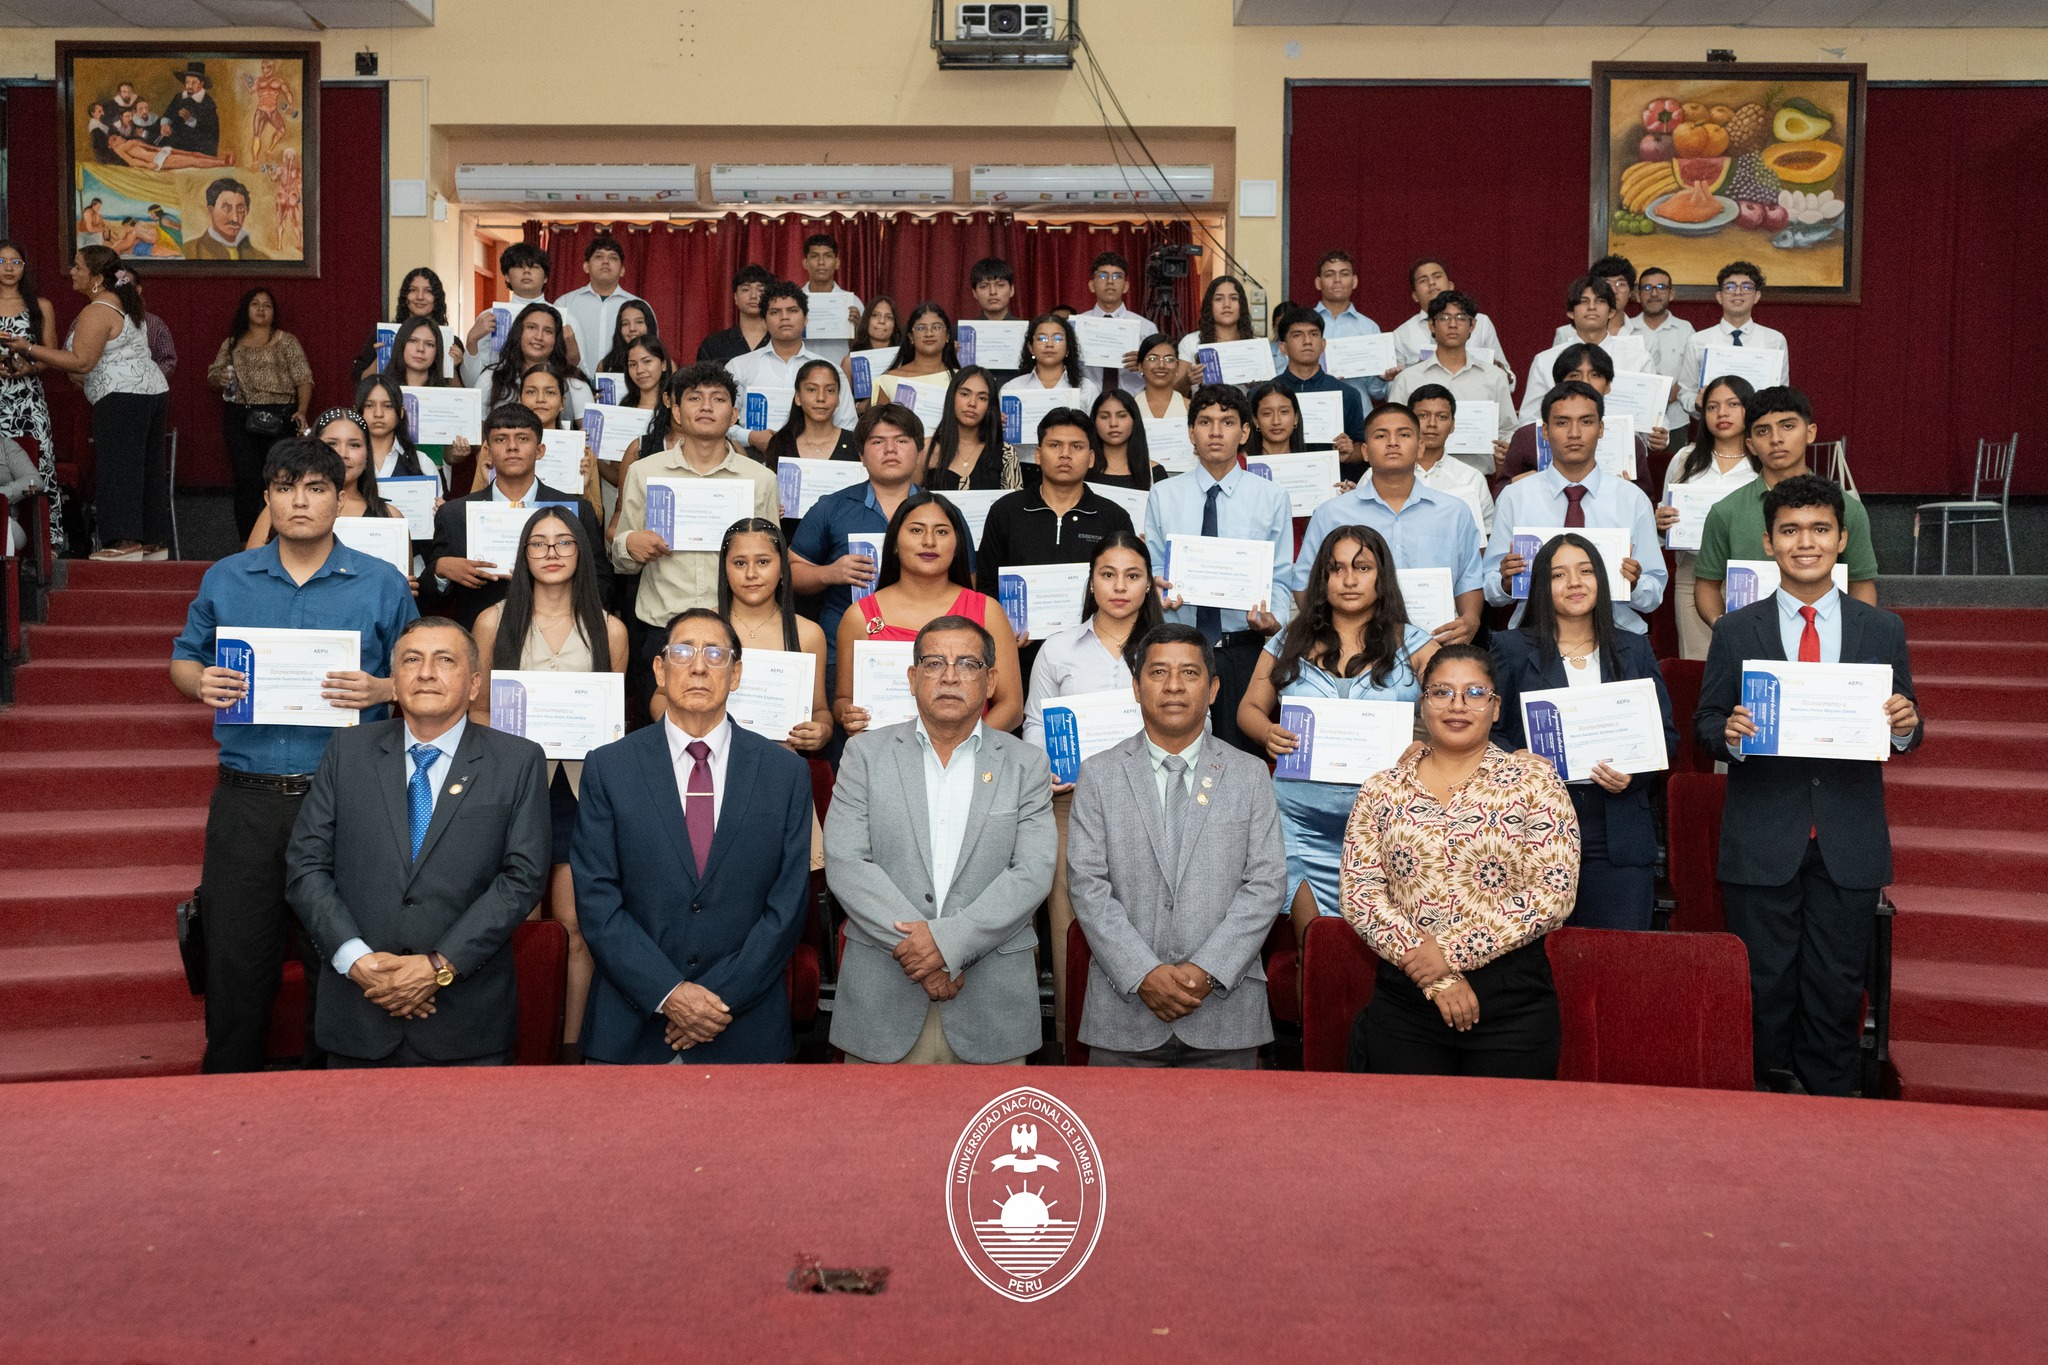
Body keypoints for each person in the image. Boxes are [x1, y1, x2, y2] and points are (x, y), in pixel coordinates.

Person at [169, 438, 418, 1072]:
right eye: (284, 488)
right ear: (267, 498)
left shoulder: (381, 582)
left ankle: (325, 1088)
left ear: (341, 499)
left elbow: (421, 671)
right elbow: (183, 659)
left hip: (343, 799)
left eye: (313, 488)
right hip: (246, 796)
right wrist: (199, 682)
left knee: (335, 952)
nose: (298, 501)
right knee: (235, 955)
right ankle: (227, 1085)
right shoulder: (227, 576)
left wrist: (385, 688)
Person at [1697, 474, 1922, 1096]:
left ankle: (1832, 1106)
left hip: (1847, 838)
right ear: (1769, 543)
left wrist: (1904, 725)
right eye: (1790, 530)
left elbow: (1908, 722)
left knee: (1837, 983)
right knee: (1763, 983)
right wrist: (1731, 734)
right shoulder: (1737, 630)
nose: (1806, 542)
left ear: (1842, 539)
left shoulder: (1882, 629)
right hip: (1763, 836)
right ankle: (1764, 1100)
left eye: (1820, 529)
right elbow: (1705, 726)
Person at [283, 617, 548, 1068]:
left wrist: (437, 967)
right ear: (395, 679)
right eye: (411, 660)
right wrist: (357, 962)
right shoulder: (347, 751)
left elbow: (522, 879)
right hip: (359, 1009)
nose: (426, 672)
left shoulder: (518, 760)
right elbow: (306, 867)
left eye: (444, 660)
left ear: (474, 684)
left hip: (465, 1021)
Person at [573, 609, 815, 1063]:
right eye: (682, 652)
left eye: (715, 654)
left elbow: (787, 906)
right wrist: (670, 995)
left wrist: (713, 1002)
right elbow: (597, 900)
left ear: (736, 674)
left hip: (745, 1029)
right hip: (632, 1028)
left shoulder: (785, 774)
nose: (699, 666)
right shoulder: (610, 767)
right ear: (660, 671)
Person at [824, 614, 1056, 1065]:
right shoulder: (864, 755)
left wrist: (947, 945)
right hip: (882, 999)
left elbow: (1032, 872)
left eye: (968, 664)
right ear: (913, 679)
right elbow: (846, 862)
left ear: (991, 681)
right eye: (934, 663)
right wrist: (924, 952)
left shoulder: (1026, 764)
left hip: (991, 1006)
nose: (950, 676)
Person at [1339, 644, 1579, 1077]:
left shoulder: (1534, 781)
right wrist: (1435, 974)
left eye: (1474, 693)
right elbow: (1360, 893)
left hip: (1512, 1004)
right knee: (1406, 1140)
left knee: (1504, 1141)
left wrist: (1450, 952)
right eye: (1442, 692)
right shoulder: (1382, 789)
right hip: (1407, 999)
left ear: (1496, 706)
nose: (1457, 705)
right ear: (1423, 702)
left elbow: (1553, 894)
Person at [1067, 623, 1287, 1068]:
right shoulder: (1099, 775)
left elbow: (1266, 884)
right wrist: (1142, 973)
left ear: (1213, 689)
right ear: (1136, 686)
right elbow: (1087, 886)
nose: (1173, 686)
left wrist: (1208, 971)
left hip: (1226, 1015)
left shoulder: (1248, 775)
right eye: (1158, 672)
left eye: (1189, 673)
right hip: (1124, 1014)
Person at [471, 507, 629, 1059]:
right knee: (521, 922)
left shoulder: (611, 630)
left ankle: (569, 1049)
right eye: (539, 544)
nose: (553, 552)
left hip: (583, 792)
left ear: (582, 552)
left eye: (565, 542)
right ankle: (518, 1042)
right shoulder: (493, 623)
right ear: (524, 554)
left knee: (576, 925)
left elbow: (616, 721)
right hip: (513, 789)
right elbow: (477, 712)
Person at [1240, 526, 1435, 941]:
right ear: (1321, 579)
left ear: (1381, 577)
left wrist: (1428, 746)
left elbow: (1458, 712)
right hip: (1299, 823)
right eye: (1337, 569)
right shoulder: (1288, 638)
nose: (1349, 580)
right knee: (1311, 951)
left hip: (1388, 826)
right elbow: (1248, 709)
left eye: (1362, 568)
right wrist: (1267, 732)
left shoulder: (1415, 643)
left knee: (1385, 953)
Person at [1490, 534, 1676, 931]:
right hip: (1531, 832)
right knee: (1540, 973)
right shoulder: (1508, 649)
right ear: (1541, 586)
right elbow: (1488, 733)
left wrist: (1635, 774)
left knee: (1616, 967)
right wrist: (1512, 758)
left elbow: (1665, 737)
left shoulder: (1635, 648)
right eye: (1559, 574)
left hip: (1618, 832)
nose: (1575, 583)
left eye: (1586, 571)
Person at [1022, 531, 1160, 1051]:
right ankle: (1073, 1049)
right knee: (1070, 931)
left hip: (1159, 805)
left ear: (1149, 585)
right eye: (1108, 574)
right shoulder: (1058, 649)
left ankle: (1152, 1044)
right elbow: (1035, 725)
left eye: (1132, 575)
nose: (1119, 586)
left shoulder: (1171, 645)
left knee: (1151, 925)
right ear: (1091, 580)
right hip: (1071, 806)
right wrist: (1047, 766)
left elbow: (1202, 724)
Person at [609, 363, 780, 685]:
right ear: (675, 410)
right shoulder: (644, 473)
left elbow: (771, 562)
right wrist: (630, 544)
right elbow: (622, 559)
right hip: (662, 626)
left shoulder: (761, 479)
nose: (705, 406)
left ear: (734, 414)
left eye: (718, 399)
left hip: (736, 627)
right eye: (694, 398)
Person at [1144, 384, 1291, 753]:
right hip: (1179, 647)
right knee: (1176, 754)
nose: (1215, 431)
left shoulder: (1271, 497)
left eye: (1227, 422)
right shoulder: (1164, 494)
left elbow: (1281, 577)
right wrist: (1159, 587)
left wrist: (1274, 621)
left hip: (1244, 650)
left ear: (1244, 432)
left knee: (1242, 763)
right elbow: (1154, 565)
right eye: (1205, 421)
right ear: (1190, 432)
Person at [3, 247, 168, 560]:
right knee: (147, 468)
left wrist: (29, 348)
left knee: (117, 468)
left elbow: (80, 361)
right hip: (151, 391)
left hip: (122, 396)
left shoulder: (97, 310)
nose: (72, 271)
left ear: (96, 277)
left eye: (78, 266)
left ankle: (123, 543)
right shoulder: (125, 302)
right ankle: (152, 542)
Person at [1294, 403, 1484, 648]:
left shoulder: (1454, 512)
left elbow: (1469, 578)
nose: (1393, 442)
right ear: (1364, 451)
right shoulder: (1331, 514)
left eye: (1404, 435)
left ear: (1420, 448)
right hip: (1354, 648)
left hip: (1435, 643)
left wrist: (1471, 619)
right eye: (1381, 435)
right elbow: (1304, 583)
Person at [833, 491, 1021, 735]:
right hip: (886, 759)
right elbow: (842, 699)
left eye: (941, 531)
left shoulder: (988, 612)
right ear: (895, 544)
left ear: (957, 545)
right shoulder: (859, 616)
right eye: (916, 530)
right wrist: (847, 714)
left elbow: (1011, 706)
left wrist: (958, 747)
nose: (929, 541)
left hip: (972, 760)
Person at [1487, 381, 1665, 635]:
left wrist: (1634, 583)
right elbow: (1491, 588)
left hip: (1616, 632)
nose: (1574, 433)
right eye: (1562, 422)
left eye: (1586, 422)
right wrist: (1505, 582)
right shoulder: (1515, 497)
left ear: (1601, 429)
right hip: (1534, 634)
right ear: (1545, 431)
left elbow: (1654, 593)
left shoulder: (1632, 499)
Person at [1693, 386, 1877, 629]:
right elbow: (1707, 585)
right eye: (1762, 431)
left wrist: (1854, 636)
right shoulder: (1725, 512)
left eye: (1788, 426)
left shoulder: (1848, 509)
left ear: (1810, 432)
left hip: (1828, 640)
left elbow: (1861, 583)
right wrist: (1726, 630)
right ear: (1750, 444)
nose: (1776, 439)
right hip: (1751, 641)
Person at [975, 407, 1136, 679]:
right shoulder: (1006, 512)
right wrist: (1003, 631)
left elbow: (1127, 586)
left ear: (1091, 458)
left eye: (1076, 446)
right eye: (1054, 445)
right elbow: (987, 585)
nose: (1065, 454)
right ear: (1038, 455)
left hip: (1096, 658)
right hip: (1018, 657)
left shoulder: (1113, 517)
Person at [430, 403, 608, 629]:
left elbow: (601, 584)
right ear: (488, 451)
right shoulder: (454, 513)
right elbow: (432, 598)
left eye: (523, 439)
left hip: (558, 633)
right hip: (482, 637)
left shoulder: (577, 510)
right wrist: (442, 570)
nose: (512, 447)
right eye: (501, 439)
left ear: (540, 450)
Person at [790, 403, 928, 669]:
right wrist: (830, 573)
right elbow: (790, 570)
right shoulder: (830, 507)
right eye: (878, 441)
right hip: (845, 648)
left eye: (901, 440)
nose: (890, 450)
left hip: (923, 646)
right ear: (861, 455)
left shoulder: (940, 512)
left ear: (919, 451)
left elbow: (966, 584)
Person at [1660, 374, 1760, 659]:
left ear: (1749, 410)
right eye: (1712, 407)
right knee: (1699, 666)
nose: (1722, 413)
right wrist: (1661, 522)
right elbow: (1665, 517)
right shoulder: (1684, 458)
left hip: (1751, 573)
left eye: (1732, 404)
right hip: (1694, 573)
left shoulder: (1764, 461)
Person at [204, 287, 313, 541]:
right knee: (246, 480)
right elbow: (212, 377)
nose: (261, 309)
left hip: (280, 417)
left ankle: (278, 540)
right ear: (246, 309)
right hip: (241, 417)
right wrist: (219, 378)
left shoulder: (287, 341)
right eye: (255, 304)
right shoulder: (232, 344)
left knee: (279, 478)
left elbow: (304, 378)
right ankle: (247, 543)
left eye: (267, 305)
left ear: (274, 312)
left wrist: (302, 410)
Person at [716, 518, 833, 751]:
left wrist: (823, 731)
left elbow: (820, 710)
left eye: (763, 561)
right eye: (739, 563)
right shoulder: (701, 626)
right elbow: (661, 698)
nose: (751, 574)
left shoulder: (808, 633)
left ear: (782, 569)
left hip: (780, 762)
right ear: (724, 569)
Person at [1386, 290, 1516, 471]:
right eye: (1445, 318)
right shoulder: (1407, 379)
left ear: (1472, 326)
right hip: (1416, 478)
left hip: (1477, 476)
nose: (1453, 324)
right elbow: (1392, 428)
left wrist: (1506, 448)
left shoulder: (1495, 377)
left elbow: (1508, 429)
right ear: (1431, 325)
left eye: (1461, 318)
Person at [244, 408, 407, 550]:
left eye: (354, 445)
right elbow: (251, 569)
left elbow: (402, 577)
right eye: (332, 444)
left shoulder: (390, 516)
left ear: (367, 455)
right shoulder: (284, 507)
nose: (343, 454)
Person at [1497, 342, 1657, 486]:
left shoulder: (1630, 441)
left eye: (1595, 375)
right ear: (1558, 383)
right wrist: (1523, 482)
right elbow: (1500, 494)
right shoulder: (1527, 436)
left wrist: (1628, 492)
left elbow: (1646, 502)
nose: (1585, 382)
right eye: (1574, 375)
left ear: (1608, 385)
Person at [727, 282, 856, 455]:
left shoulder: (830, 370)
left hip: (816, 460)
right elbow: (721, 422)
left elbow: (848, 426)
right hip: (752, 458)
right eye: (775, 312)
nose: (784, 317)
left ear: (806, 319)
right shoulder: (739, 366)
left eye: (792, 310)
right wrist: (751, 437)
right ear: (764, 321)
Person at [0, 241, 60, 544]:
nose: (9, 268)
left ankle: (47, 543)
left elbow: (50, 356)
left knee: (40, 463)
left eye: (16, 262)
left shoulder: (41, 305)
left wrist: (29, 368)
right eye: (2, 261)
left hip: (28, 399)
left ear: (25, 268)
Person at [1678, 260, 1789, 416]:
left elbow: (1781, 393)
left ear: (1756, 296)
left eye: (1746, 287)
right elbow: (1685, 393)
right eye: (1730, 287)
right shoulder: (1698, 341)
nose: (1738, 292)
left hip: (1759, 429)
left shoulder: (1775, 340)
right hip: (1716, 428)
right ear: (1719, 296)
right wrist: (1698, 404)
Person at [463, 243, 582, 383]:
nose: (526, 271)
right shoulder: (489, 318)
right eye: (519, 266)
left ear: (545, 278)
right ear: (507, 276)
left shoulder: (567, 320)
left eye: (534, 267)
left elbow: (581, 376)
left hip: (549, 396)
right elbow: (472, 382)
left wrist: (574, 358)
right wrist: (472, 339)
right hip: (501, 395)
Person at [1389, 259, 1513, 387]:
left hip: (1475, 399)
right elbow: (1394, 389)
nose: (1431, 283)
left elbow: (1509, 381)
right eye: (1423, 280)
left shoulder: (1481, 322)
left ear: (1451, 286)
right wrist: (1415, 371)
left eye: (1437, 276)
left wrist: (1503, 374)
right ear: (1415, 296)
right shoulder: (1400, 335)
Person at [1271, 308, 1364, 477]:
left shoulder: (1347, 394)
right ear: (1283, 348)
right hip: (1278, 483)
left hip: (1332, 487)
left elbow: (1363, 450)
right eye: (1297, 335)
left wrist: (1350, 452)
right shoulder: (1264, 394)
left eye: (1313, 334)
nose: (1307, 341)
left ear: (1323, 344)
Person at [1517, 276, 1620, 428]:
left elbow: (1653, 418)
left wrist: (1657, 434)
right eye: (1583, 301)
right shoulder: (1545, 360)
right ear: (1571, 312)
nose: (1592, 307)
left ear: (1611, 311)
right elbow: (1529, 421)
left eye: (1600, 301)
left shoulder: (1639, 359)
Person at [1001, 312, 1097, 465]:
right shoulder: (1011, 388)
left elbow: (1095, 435)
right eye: (1042, 338)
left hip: (1071, 467)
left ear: (1068, 348)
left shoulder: (1086, 388)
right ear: (1031, 347)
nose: (1049, 344)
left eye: (1058, 338)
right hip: (1022, 468)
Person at [1407, 384, 1495, 540]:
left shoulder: (1472, 479)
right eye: (1423, 416)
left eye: (1442, 417)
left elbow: (1485, 538)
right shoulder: (1380, 474)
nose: (1432, 424)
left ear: (1453, 425)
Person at [475, 302, 591, 420]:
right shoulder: (492, 377)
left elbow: (590, 434)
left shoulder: (573, 380)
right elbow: (476, 432)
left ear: (557, 339)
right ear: (519, 333)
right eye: (531, 327)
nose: (539, 337)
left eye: (548, 331)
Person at [552, 233, 641, 373]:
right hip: (572, 385)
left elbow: (650, 350)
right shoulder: (564, 304)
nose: (606, 262)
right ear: (586, 266)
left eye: (613, 258)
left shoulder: (638, 307)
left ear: (622, 270)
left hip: (625, 387)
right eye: (599, 257)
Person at [1311, 249, 1390, 405]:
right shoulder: (1303, 325)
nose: (1337, 280)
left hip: (1359, 413)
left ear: (1354, 281)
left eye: (1344, 274)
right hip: (1314, 410)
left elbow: (1376, 392)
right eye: (1329, 275)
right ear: (1318, 283)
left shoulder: (1369, 328)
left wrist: (1382, 378)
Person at [922, 366, 1018, 491]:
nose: (972, 403)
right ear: (952, 397)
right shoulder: (927, 448)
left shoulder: (1006, 452)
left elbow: (1014, 505)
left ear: (990, 405)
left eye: (982, 398)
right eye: (965, 394)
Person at [355, 267, 460, 381]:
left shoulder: (452, 343)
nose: (420, 297)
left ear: (437, 299)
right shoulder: (382, 336)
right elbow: (361, 382)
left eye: (428, 291)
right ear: (405, 297)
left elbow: (462, 396)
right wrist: (381, 359)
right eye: (413, 290)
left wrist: (451, 367)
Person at [761, 358, 858, 467]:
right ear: (798, 397)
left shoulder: (856, 443)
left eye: (830, 390)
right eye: (812, 390)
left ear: (838, 399)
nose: (821, 398)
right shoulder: (781, 443)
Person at [1634, 265, 1694, 437]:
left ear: (1671, 294)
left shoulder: (1685, 329)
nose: (1654, 294)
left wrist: (1670, 394)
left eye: (1661, 287)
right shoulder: (1627, 329)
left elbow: (1694, 371)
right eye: (1647, 288)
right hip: (1635, 421)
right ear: (1637, 295)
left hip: (1676, 420)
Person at [1076, 251, 1144, 394]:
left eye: (1117, 276)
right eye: (1102, 276)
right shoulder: (1077, 325)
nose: (1110, 281)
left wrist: (1145, 364)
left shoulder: (1146, 327)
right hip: (1088, 404)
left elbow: (1158, 373)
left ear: (1125, 286)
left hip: (1132, 404)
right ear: (1091, 285)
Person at [1550, 255, 1650, 347]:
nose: (1614, 290)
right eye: (1607, 283)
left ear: (1630, 292)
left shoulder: (1647, 336)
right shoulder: (1566, 333)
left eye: (1621, 284)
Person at [872, 300, 958, 404]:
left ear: (947, 336)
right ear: (911, 337)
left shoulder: (961, 380)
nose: (929, 333)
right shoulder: (890, 380)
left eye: (936, 327)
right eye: (921, 328)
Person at [798, 232, 864, 363]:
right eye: (814, 256)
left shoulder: (852, 302)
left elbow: (863, 347)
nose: (821, 262)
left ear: (837, 262)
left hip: (839, 373)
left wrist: (858, 327)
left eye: (828, 256)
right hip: (799, 372)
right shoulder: (793, 301)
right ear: (805, 263)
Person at [356, 374, 435, 483]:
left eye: (388, 406)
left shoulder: (422, 463)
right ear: (357, 411)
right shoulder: (347, 461)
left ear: (401, 412)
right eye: (369, 405)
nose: (378, 414)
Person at [1176, 274, 1257, 379]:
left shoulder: (1256, 345)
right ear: (1210, 305)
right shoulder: (1191, 342)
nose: (1226, 304)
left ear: (1242, 305)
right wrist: (1188, 379)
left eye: (1233, 298)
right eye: (1219, 299)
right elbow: (1177, 393)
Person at [696, 263, 775, 365]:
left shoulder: (781, 342)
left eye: (761, 290)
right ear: (735, 297)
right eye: (746, 290)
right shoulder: (713, 345)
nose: (753, 296)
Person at [1088, 388, 1165, 489]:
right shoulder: (1082, 470)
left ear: (1134, 420)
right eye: (1105, 417)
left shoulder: (1154, 472)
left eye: (1122, 416)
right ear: (1094, 421)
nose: (1113, 424)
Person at [185, 178, 265, 260]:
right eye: (226, 208)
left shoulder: (262, 258)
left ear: (246, 211)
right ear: (211, 210)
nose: (235, 219)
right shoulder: (187, 252)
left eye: (240, 209)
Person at [844, 295, 904, 399]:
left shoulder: (904, 359)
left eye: (888, 317)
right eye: (875, 315)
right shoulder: (849, 362)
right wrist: (859, 407)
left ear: (895, 325)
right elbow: (842, 406)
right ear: (866, 320)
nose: (881, 321)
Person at [595, 299, 660, 382]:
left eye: (639, 322)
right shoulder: (606, 365)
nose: (632, 328)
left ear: (649, 325)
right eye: (625, 323)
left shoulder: (666, 364)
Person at [166, 62, 221, 156]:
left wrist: (190, 120)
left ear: (202, 84)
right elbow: (168, 115)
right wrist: (165, 125)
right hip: (176, 148)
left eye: (194, 83)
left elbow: (210, 133)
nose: (189, 86)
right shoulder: (179, 98)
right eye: (187, 82)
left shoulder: (208, 104)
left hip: (198, 151)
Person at [1134, 333, 1187, 422]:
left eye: (1169, 360)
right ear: (1140, 366)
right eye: (1153, 359)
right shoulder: (1129, 408)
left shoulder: (1191, 408)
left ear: (1177, 367)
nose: (1161, 365)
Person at [1246, 380, 1306, 458]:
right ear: (1255, 420)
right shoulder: (1242, 464)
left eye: (1284, 412)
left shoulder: (1313, 463)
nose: (1276, 421)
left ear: (1296, 418)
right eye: (1267, 413)